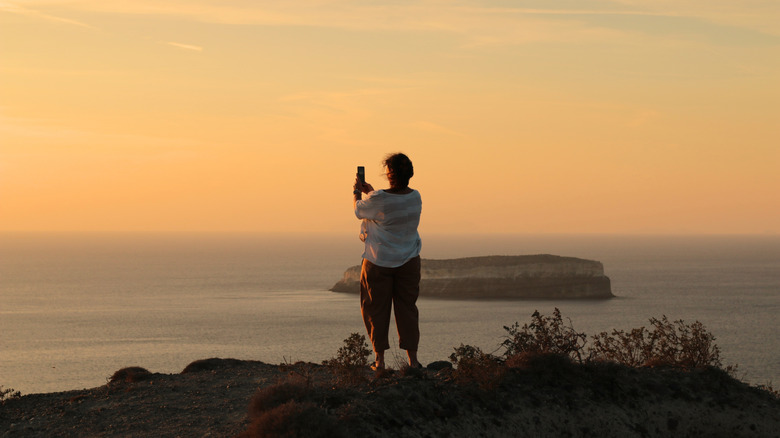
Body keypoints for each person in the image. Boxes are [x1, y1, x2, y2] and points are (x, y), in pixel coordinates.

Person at [353, 153, 423, 370]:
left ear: (389, 174)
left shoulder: (379, 198)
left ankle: (380, 361)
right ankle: (413, 361)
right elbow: (387, 204)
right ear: (409, 174)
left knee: (375, 309)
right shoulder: (416, 196)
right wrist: (371, 192)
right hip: (409, 260)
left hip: (379, 261)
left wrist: (358, 192)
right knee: (407, 310)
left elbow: (359, 209)